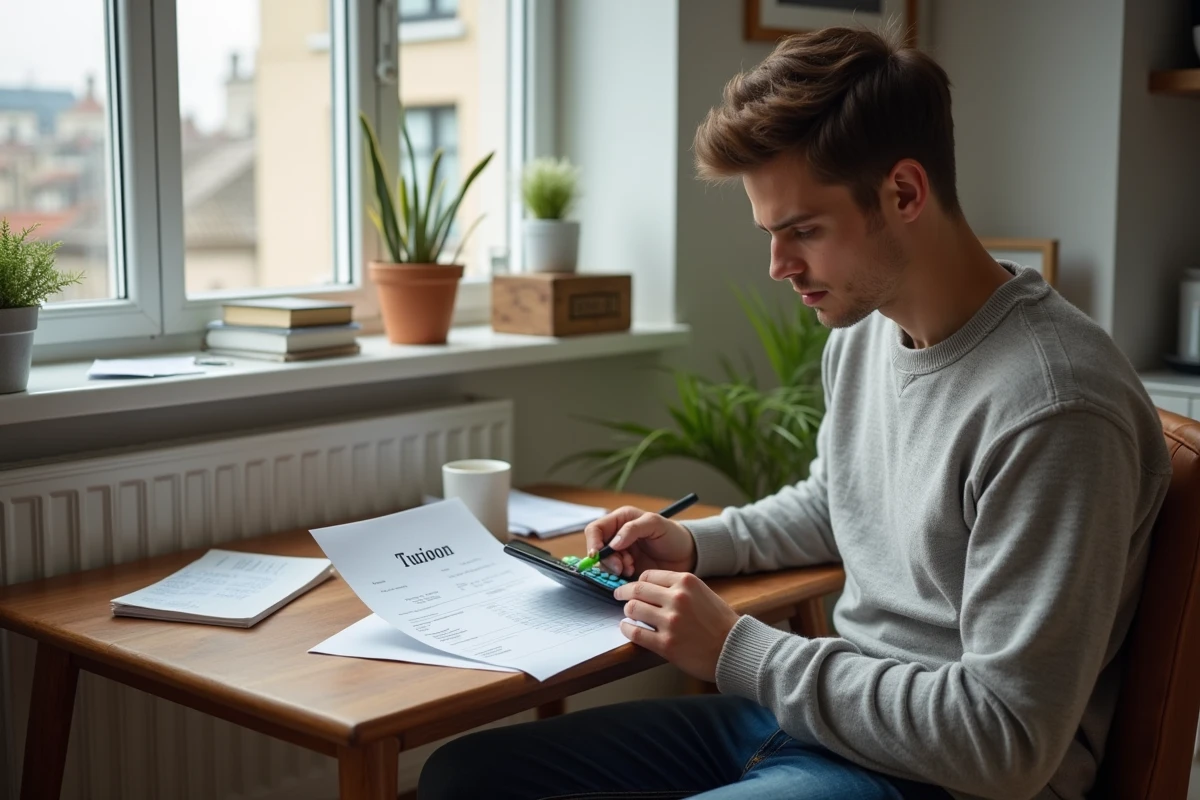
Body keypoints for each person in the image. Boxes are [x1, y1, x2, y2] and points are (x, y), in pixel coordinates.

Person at [418, 25, 1171, 800]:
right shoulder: (868, 332)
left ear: (904, 193)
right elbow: (840, 500)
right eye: (771, 234)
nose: (779, 267)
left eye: (803, 231)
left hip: (941, 779)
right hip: (825, 725)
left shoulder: (1054, 408)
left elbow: (1004, 740)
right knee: (464, 778)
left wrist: (739, 651)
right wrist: (693, 543)